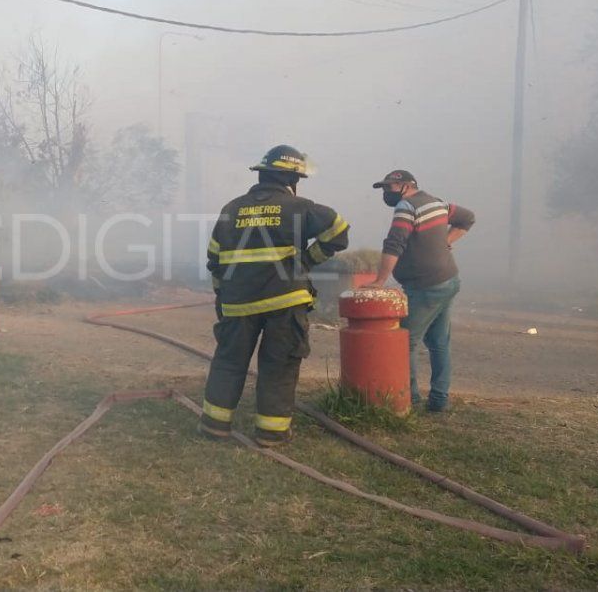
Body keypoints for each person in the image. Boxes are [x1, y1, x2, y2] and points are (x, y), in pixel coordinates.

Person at [199, 145, 350, 446]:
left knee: (228, 362)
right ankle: (271, 432)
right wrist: (306, 261)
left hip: (237, 303)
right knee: (279, 365)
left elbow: (214, 259)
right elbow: (339, 231)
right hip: (285, 302)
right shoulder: (299, 207)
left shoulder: (231, 209)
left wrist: (222, 296)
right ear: (292, 179)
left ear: (262, 175)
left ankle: (215, 425)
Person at [363, 170, 475, 412]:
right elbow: (467, 218)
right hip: (448, 280)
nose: (386, 193)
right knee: (439, 342)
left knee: (404, 342)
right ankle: (438, 401)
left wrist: (380, 280)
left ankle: (409, 399)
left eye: (389, 187)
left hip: (426, 287)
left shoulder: (406, 207)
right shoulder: (437, 203)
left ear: (406, 186)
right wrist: (446, 241)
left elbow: (394, 243)